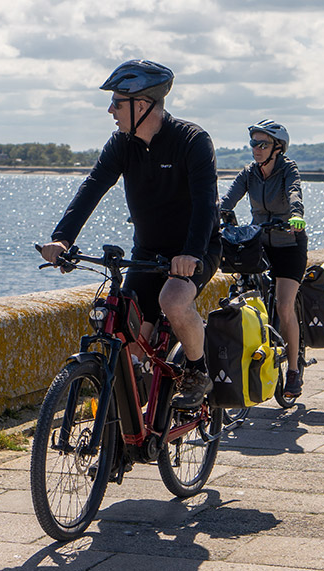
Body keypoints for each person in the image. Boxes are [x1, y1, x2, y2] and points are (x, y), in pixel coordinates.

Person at [39, 60, 221, 409]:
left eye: (117, 102)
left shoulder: (191, 141)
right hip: (147, 252)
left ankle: (198, 371)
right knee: (129, 332)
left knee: (173, 300)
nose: (110, 110)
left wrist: (191, 254)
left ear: (143, 105)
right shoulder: (121, 143)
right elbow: (93, 186)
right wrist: (63, 238)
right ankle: (124, 442)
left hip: (195, 249)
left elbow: (205, 206)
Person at [219, 119, 307, 398]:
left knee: (284, 307)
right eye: (253, 144)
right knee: (242, 288)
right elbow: (227, 200)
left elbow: (294, 191)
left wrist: (296, 215)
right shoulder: (249, 173)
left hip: (289, 243)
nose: (256, 149)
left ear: (277, 148)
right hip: (260, 242)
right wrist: (212, 214)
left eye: (263, 144)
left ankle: (293, 370)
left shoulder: (287, 169)